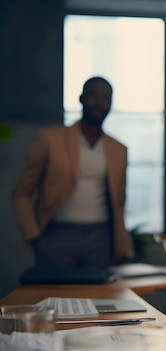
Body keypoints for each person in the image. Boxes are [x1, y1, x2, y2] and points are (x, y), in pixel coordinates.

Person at [13, 76, 134, 269]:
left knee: (99, 297)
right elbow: (22, 192)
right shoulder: (50, 140)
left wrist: (123, 242)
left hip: (101, 237)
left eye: (105, 97)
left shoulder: (119, 149)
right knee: (55, 295)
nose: (99, 102)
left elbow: (119, 201)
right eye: (93, 95)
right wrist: (33, 233)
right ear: (81, 98)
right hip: (56, 233)